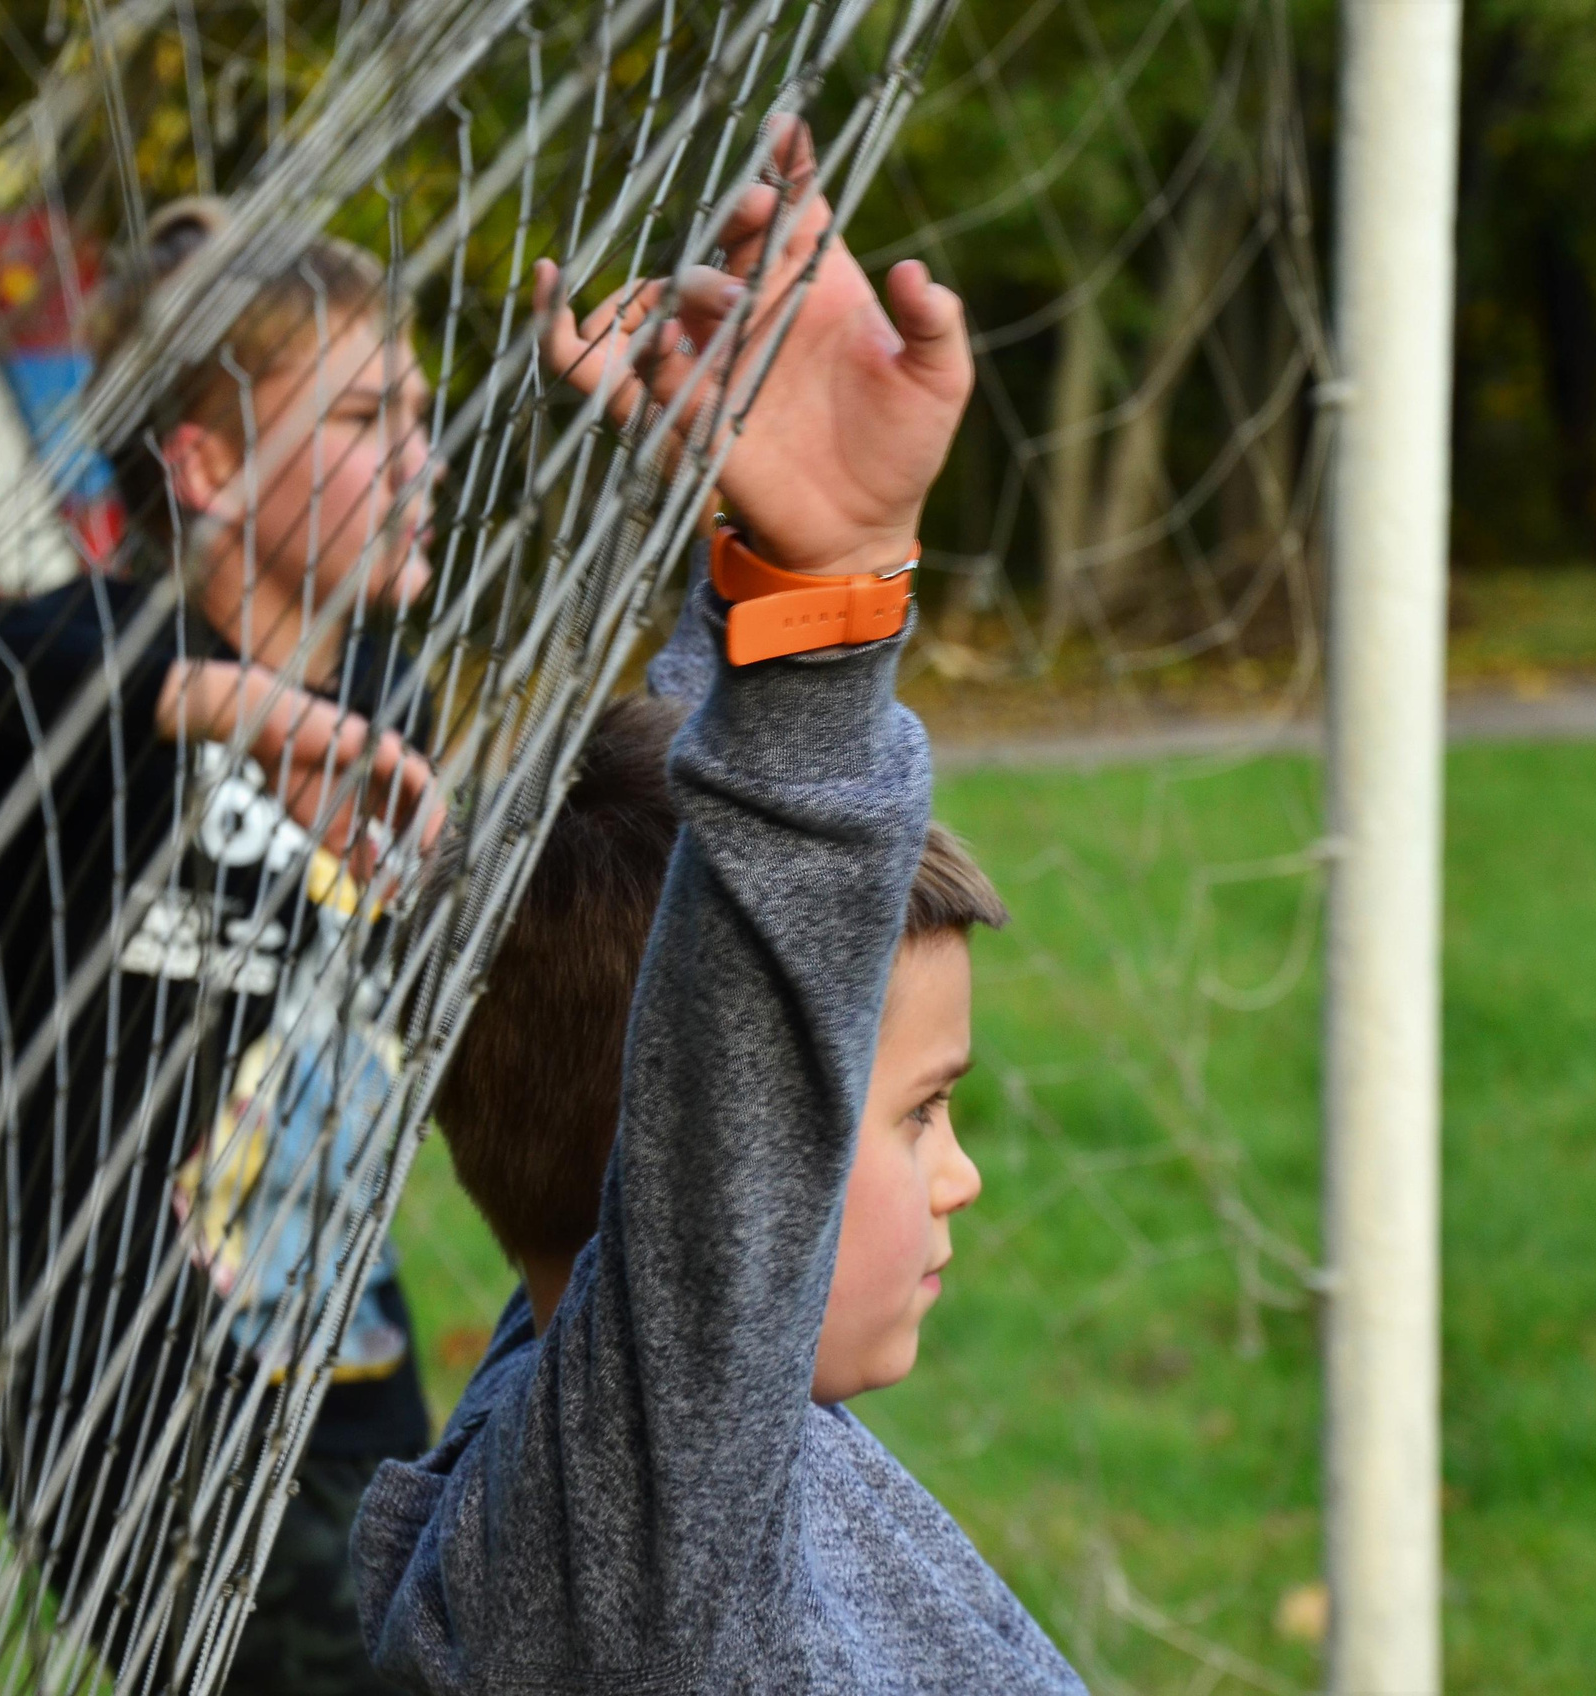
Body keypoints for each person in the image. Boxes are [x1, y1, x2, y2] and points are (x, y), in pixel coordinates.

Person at [351, 122, 1089, 1692]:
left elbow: (698, 863)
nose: (959, 1178)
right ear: (720, 1167)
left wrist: (757, 546)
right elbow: (728, 1050)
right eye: (915, 1114)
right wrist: (827, 599)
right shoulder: (632, 1570)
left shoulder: (603, 1414)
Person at [0, 198, 442, 1695]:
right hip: (130, 1402)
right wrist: (211, 704)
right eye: (360, 415)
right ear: (206, 468)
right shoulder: (90, 671)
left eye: (419, 410)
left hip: (349, 1373)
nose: (421, 455)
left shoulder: (393, 696)